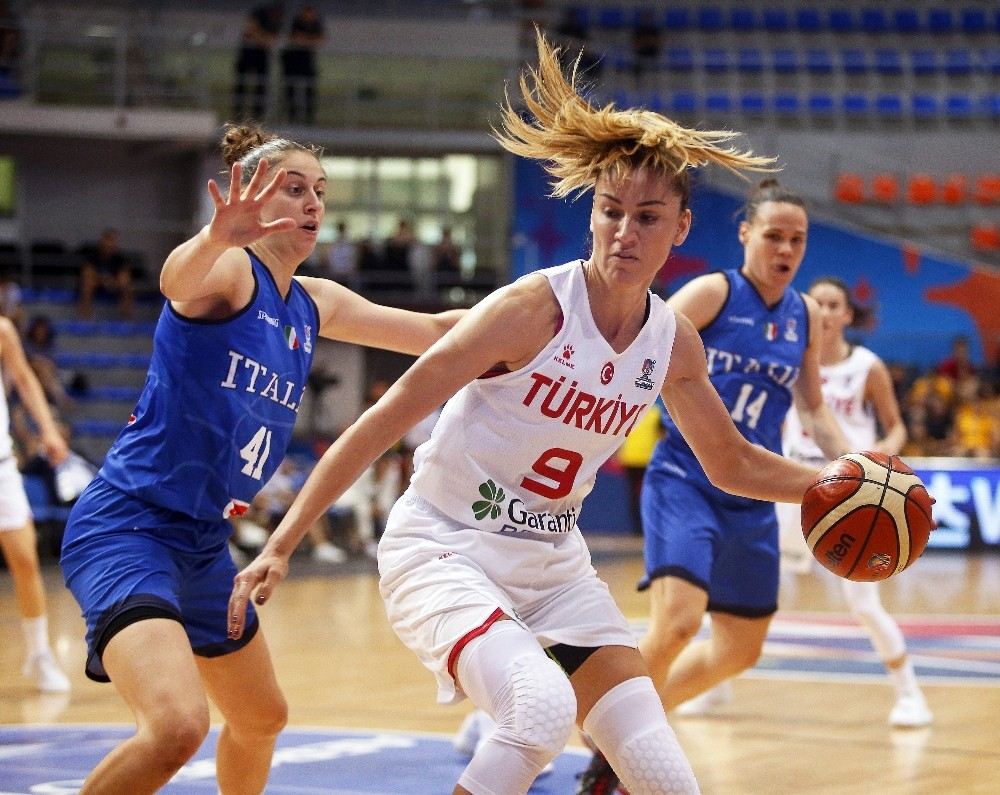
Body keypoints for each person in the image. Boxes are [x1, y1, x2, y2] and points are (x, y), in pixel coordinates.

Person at [229, 32, 835, 795]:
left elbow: (734, 461)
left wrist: (835, 483)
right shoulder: (531, 310)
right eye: (611, 210)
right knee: (539, 709)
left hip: (553, 566)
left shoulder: (673, 342)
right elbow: (386, 416)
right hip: (446, 547)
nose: (624, 231)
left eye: (648, 217)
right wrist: (282, 541)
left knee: (665, 777)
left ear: (681, 229)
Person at [58, 122, 464, 794]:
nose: (313, 204)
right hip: (129, 528)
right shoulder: (228, 271)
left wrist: (543, 313)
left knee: (262, 716)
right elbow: (175, 280)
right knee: (176, 727)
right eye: (294, 188)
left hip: (204, 545)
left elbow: (433, 333)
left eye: (320, 192)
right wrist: (218, 235)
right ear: (254, 201)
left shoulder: (313, 302)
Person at [578, 179, 853, 791]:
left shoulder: (804, 314)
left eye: (797, 239)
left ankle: (623, 730)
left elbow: (812, 410)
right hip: (685, 476)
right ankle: (613, 753)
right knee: (678, 620)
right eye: (774, 235)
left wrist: (856, 470)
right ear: (746, 234)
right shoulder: (713, 293)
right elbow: (640, 354)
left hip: (753, 493)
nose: (785, 249)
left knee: (739, 651)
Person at [775, 276, 932, 728]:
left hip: (855, 497)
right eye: (817, 303)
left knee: (863, 604)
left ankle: (909, 695)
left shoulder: (868, 366)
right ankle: (716, 678)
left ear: (847, 314)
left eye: (833, 304)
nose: (824, 311)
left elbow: (897, 427)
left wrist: (882, 459)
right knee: (750, 582)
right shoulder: (790, 360)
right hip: (792, 485)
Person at [0, 314, 71, 693]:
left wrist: (47, 430)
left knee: (25, 559)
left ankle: (39, 654)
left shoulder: (3, 330)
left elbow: (26, 381)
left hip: (1, 467)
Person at [232, 3, 284, 121]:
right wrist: (263, 38)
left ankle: (257, 114)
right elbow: (250, 31)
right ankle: (238, 112)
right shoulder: (259, 13)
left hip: (262, 55)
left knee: (261, 84)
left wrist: (260, 37)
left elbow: (271, 40)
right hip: (248, 53)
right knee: (241, 82)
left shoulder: (277, 19)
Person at [77, 228, 134, 320]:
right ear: (101, 242)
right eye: (107, 240)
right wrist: (103, 280)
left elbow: (124, 277)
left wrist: (113, 282)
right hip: (97, 284)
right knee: (87, 284)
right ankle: (85, 317)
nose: (109, 244)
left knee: (126, 285)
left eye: (112, 241)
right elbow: (87, 274)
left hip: (113, 285)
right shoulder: (92, 257)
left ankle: (126, 319)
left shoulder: (120, 259)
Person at [281, 3, 324, 124]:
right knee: (291, 89)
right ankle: (292, 117)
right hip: (292, 61)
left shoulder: (316, 24)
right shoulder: (295, 23)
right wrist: (309, 40)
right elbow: (295, 39)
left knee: (310, 89)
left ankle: (309, 118)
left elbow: (320, 39)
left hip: (307, 61)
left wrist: (305, 40)